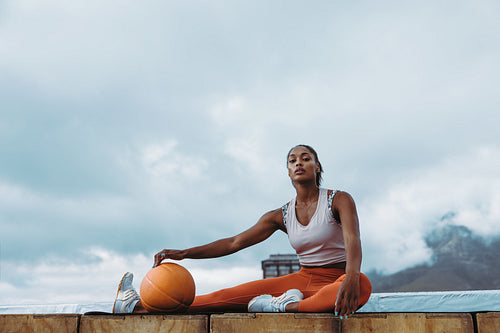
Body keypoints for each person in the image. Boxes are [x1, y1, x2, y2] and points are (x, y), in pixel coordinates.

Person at [113, 144, 372, 317]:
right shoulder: (280, 215)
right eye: (292, 160)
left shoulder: (338, 200)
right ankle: (134, 305)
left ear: (318, 167)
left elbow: (353, 240)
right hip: (303, 280)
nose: (299, 163)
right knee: (222, 298)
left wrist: (350, 276)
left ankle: (284, 306)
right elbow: (234, 242)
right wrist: (185, 253)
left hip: (340, 277)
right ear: (288, 172)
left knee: (362, 284)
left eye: (306, 158)